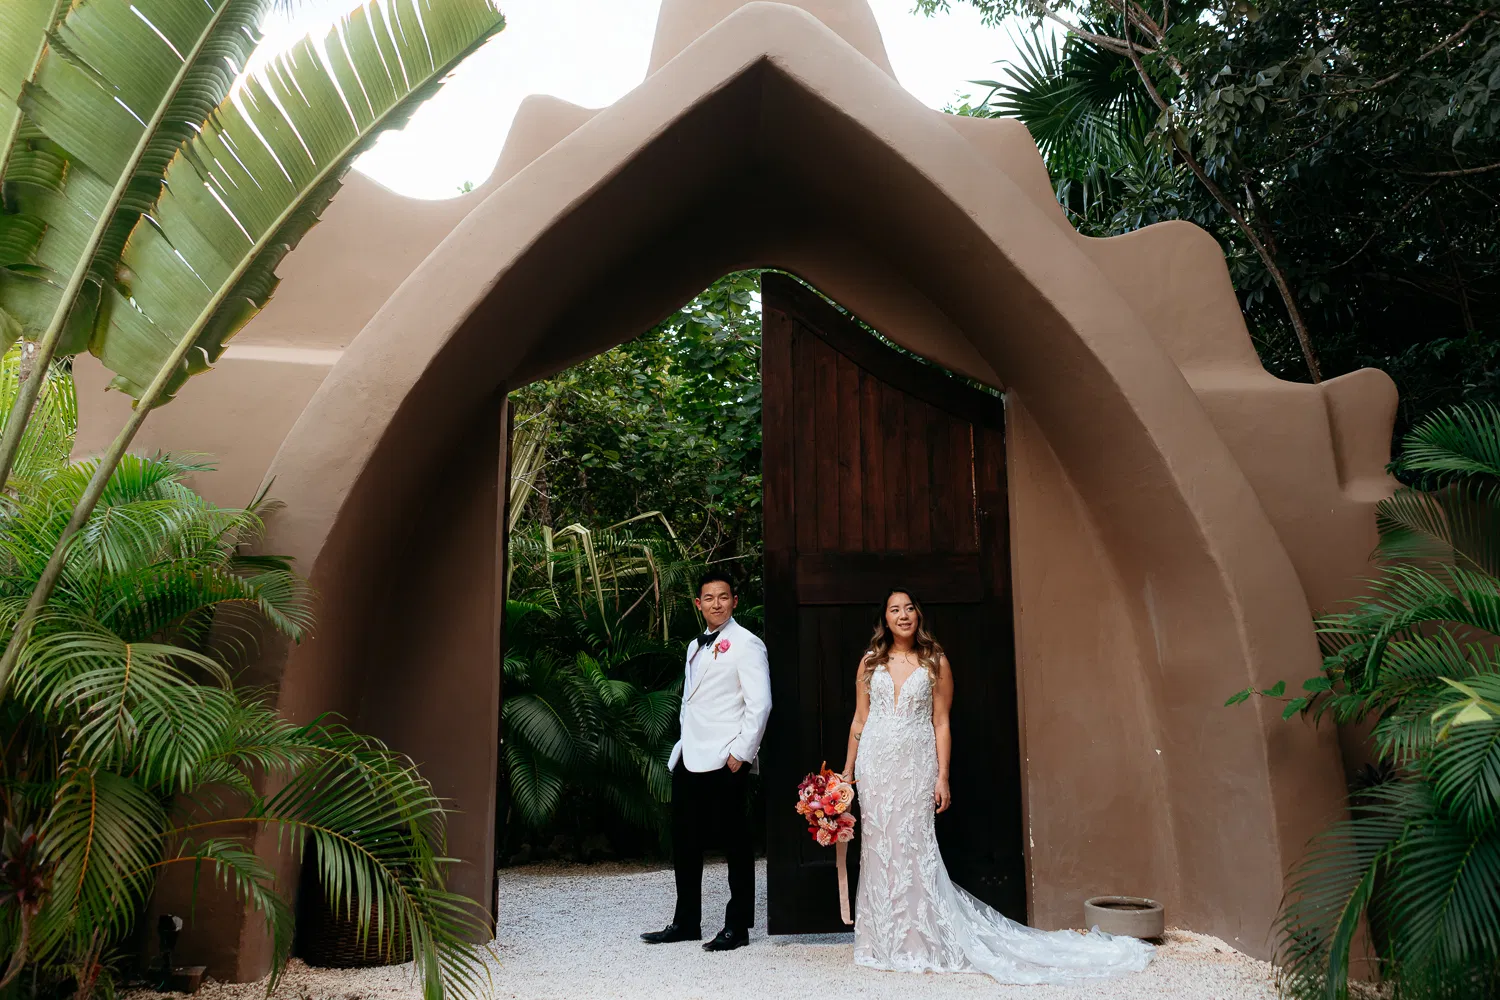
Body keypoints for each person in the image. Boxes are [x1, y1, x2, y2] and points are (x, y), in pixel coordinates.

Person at [840, 589, 1154, 983]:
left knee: (913, 846)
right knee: (879, 847)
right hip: (875, 767)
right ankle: (881, 941)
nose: (903, 616)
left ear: (917, 615)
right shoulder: (870, 662)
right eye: (894, 610)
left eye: (909, 609)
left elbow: (941, 722)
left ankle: (920, 940)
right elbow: (858, 720)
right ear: (884, 619)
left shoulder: (935, 661)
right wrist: (846, 775)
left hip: (914, 767)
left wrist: (942, 775)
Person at [641, 570, 772, 953]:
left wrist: (741, 754)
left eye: (723, 597)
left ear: (734, 601)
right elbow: (690, 702)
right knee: (685, 842)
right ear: (698, 604)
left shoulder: (747, 644)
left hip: (725, 759)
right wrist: (683, 746)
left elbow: (760, 704)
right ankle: (686, 922)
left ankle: (737, 927)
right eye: (708, 598)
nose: (716, 604)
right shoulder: (693, 647)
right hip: (690, 757)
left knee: (735, 843)